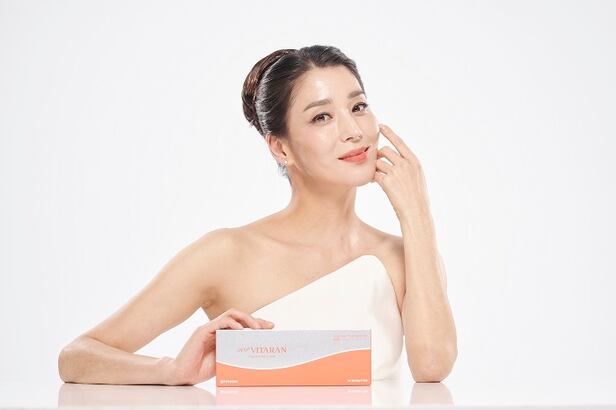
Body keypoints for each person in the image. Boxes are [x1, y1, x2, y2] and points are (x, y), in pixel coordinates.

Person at [58, 45, 457, 386]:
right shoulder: (226, 254)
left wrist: (417, 213)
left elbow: (432, 366)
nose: (353, 130)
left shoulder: (405, 255)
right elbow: (77, 356)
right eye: (322, 116)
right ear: (281, 148)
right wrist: (171, 370)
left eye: (358, 106)